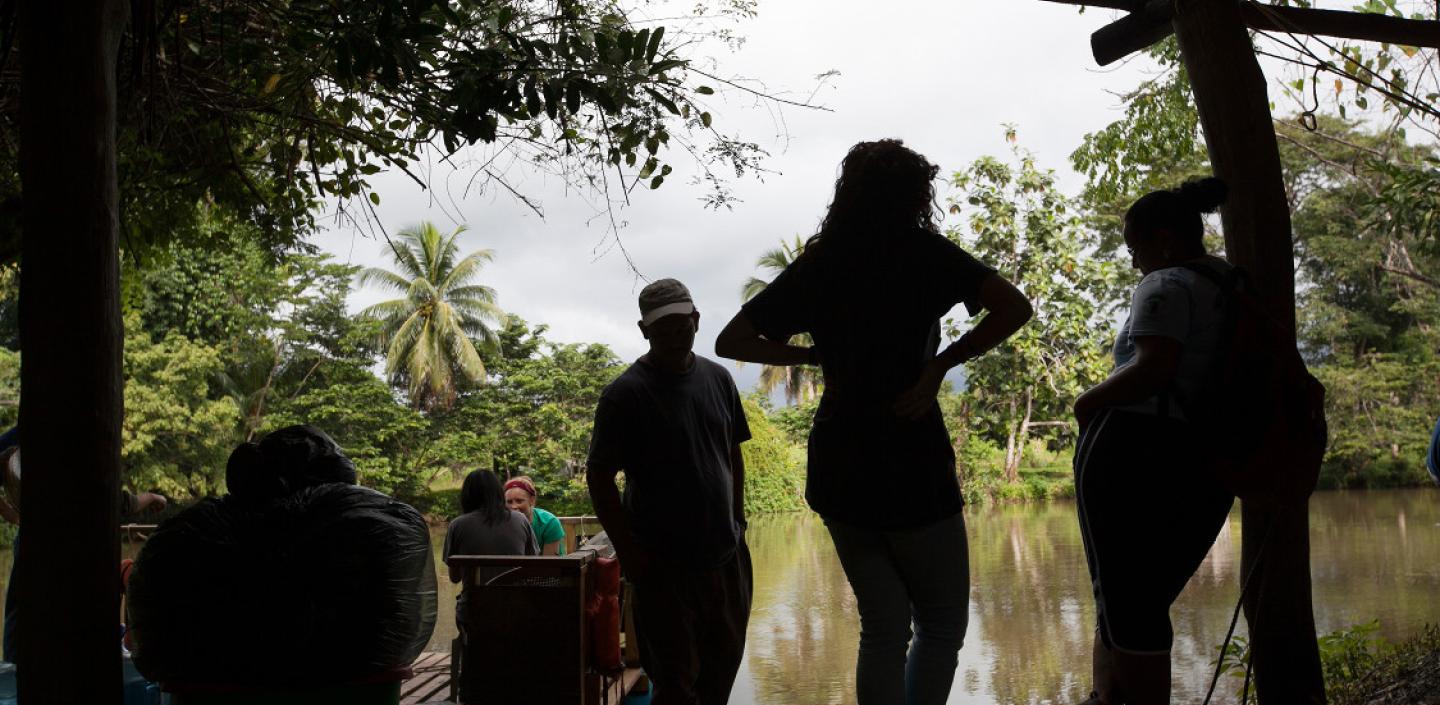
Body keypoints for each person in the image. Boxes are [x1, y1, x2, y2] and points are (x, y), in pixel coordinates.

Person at [714, 139, 1032, 705]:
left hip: (840, 462)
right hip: (911, 457)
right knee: (939, 625)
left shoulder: (822, 261)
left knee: (883, 628)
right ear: (916, 194)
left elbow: (732, 339)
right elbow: (1015, 306)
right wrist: (939, 366)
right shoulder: (926, 253)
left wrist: (813, 357)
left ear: (848, 193)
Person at [1070, 178, 1236, 705]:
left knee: (1122, 597)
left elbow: (1153, 368)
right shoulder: (1230, 282)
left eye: (1134, 246)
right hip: (1206, 452)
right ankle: (1108, 695)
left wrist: (1087, 403)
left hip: (1136, 450)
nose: (1134, 260)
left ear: (1163, 239)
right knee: (1142, 595)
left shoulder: (1165, 283)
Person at [587, 278, 753, 705]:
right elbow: (600, 478)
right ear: (644, 331)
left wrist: (738, 519)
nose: (676, 336)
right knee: (676, 684)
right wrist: (631, 555)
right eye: (663, 329)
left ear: (696, 320)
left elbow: (733, 452)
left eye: (683, 325)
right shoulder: (625, 396)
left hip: (725, 560)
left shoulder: (718, 380)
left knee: (721, 674)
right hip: (663, 569)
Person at [0, 435, 168, 665]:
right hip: (69, 554)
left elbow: (117, 501)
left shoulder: (25, 454)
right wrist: (153, 497)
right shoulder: (78, 463)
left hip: (42, 549)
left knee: (27, 621)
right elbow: (118, 502)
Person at [443, 469, 538, 620]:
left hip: (474, 610)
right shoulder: (520, 519)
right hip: (515, 607)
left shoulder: (457, 525)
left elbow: (455, 578)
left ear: (467, 496)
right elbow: (533, 563)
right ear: (499, 493)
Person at [504, 476, 567, 555]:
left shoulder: (549, 522)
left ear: (532, 500)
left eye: (519, 501)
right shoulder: (501, 524)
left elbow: (550, 564)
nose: (514, 506)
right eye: (509, 502)